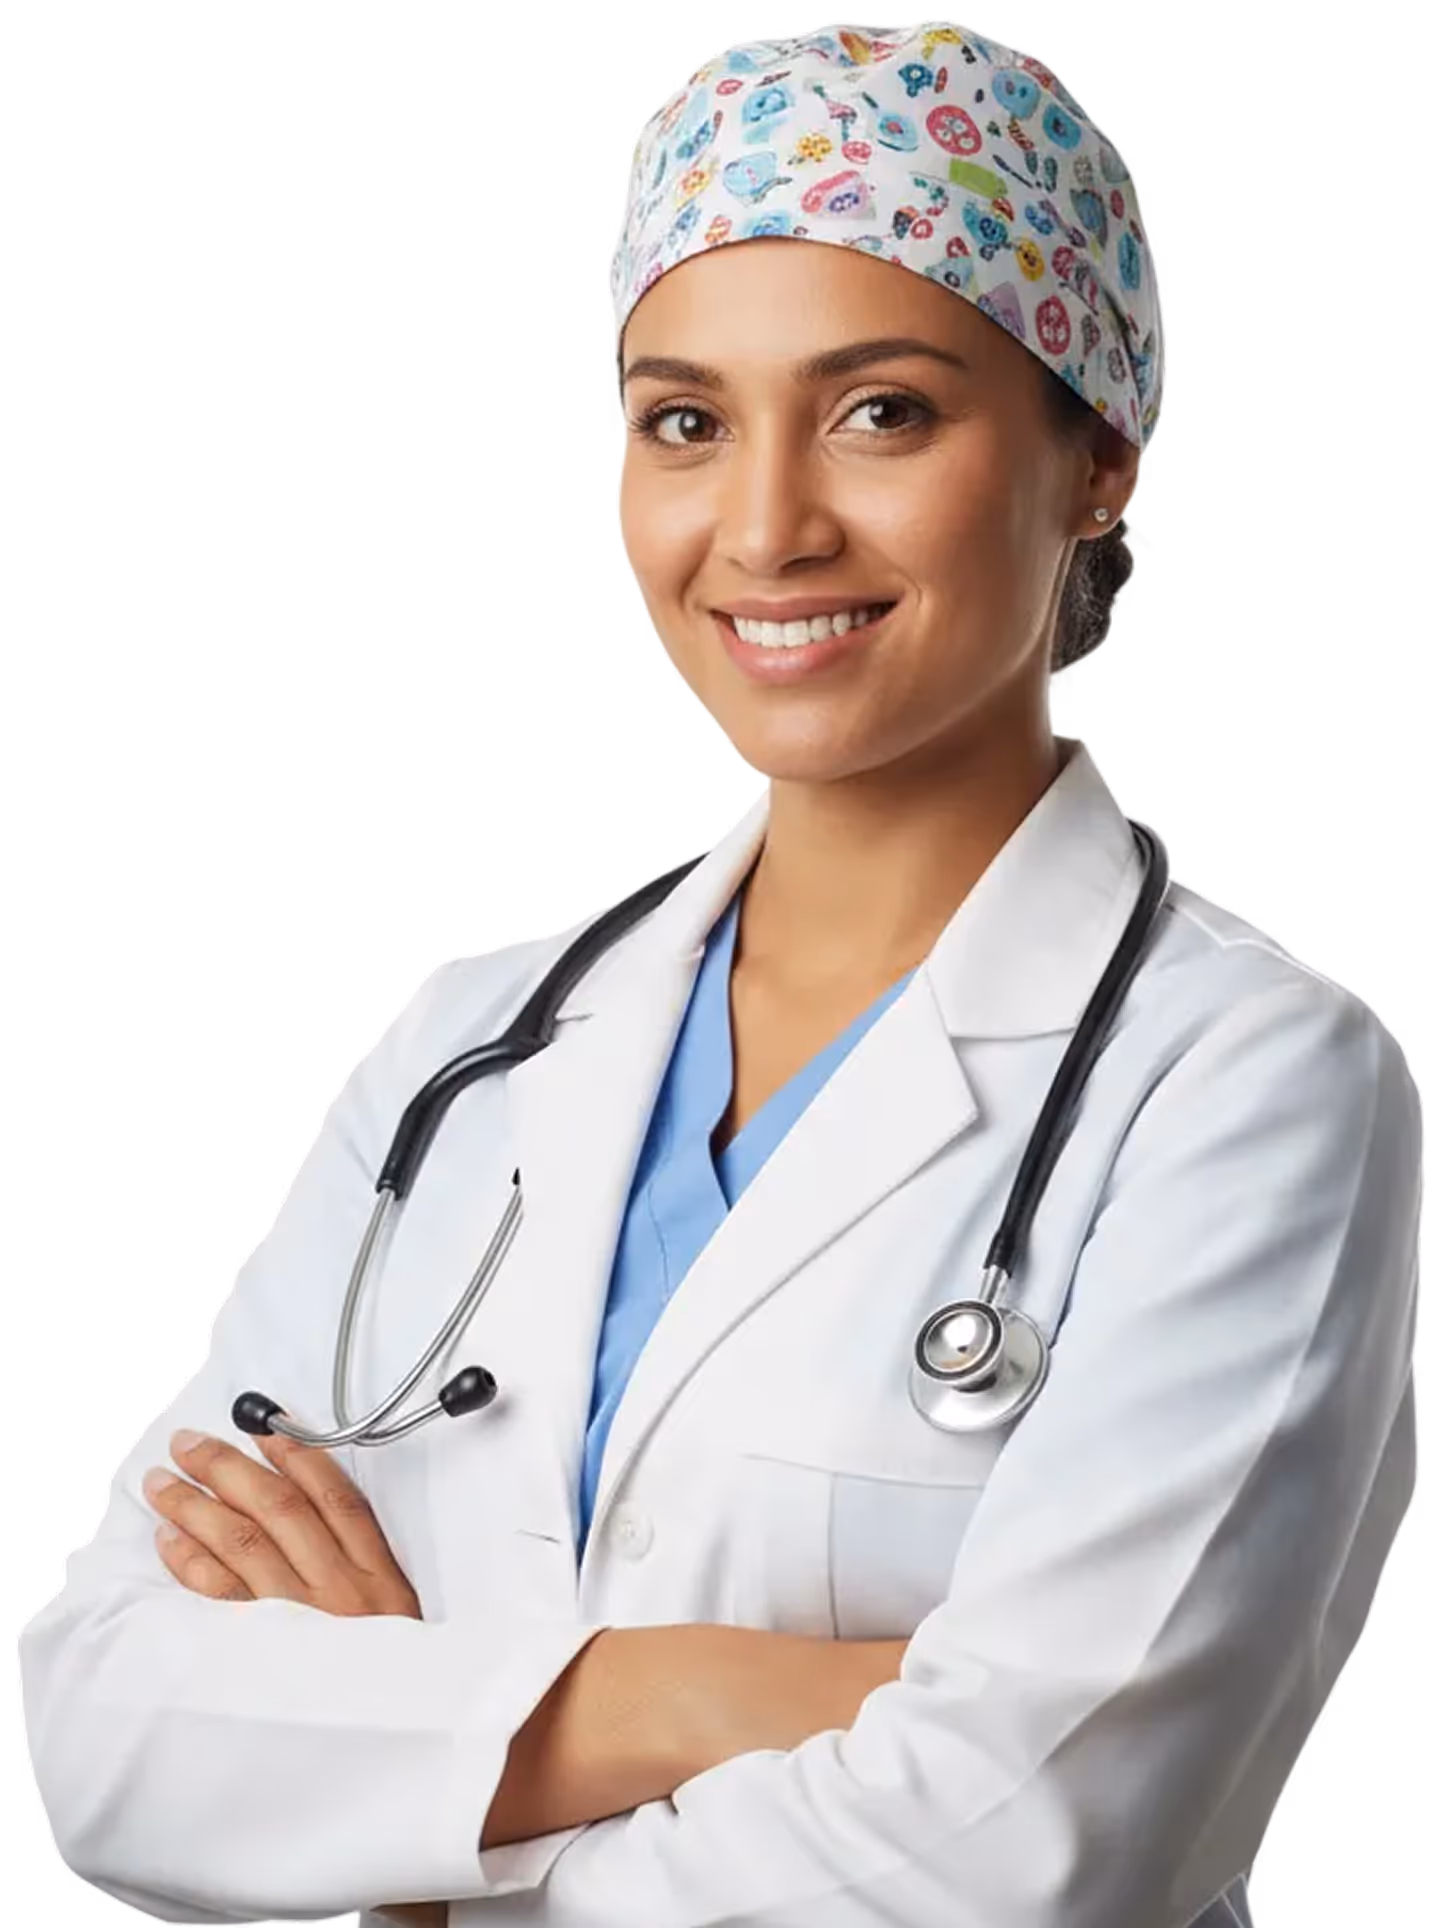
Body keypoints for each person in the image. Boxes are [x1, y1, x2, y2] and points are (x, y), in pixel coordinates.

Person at [17, 22, 1422, 1927]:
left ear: (1096, 458)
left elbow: (1045, 1849)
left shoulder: (1252, 1081)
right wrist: (688, 1696)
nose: (763, 529)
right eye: (686, 420)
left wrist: (419, 1843)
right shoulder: (474, 1047)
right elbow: (110, 1722)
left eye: (883, 412)